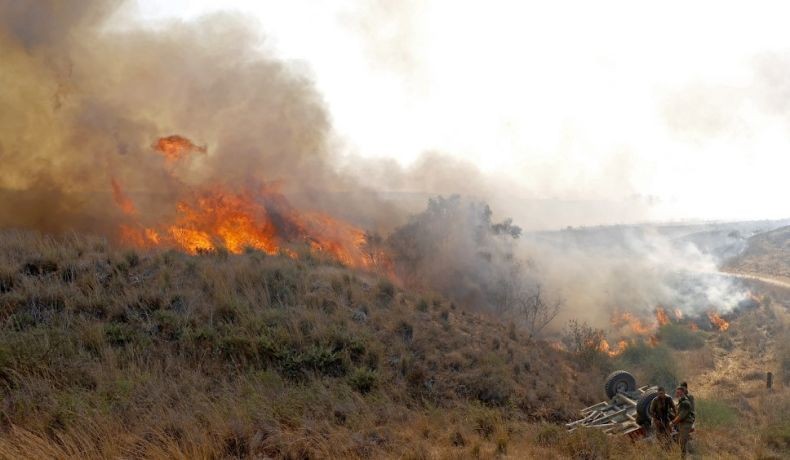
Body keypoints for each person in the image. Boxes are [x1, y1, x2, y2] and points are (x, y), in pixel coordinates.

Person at [671, 386, 695, 458]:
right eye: (677, 392)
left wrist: (672, 423)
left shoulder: (685, 403)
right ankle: (688, 454)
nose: (677, 393)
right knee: (682, 439)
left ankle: (684, 457)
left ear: (683, 393)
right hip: (682, 423)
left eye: (679, 392)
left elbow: (681, 416)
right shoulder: (680, 401)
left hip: (686, 423)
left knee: (682, 441)